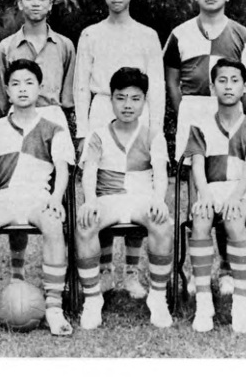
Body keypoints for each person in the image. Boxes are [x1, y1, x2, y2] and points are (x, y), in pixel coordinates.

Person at [163, 0, 246, 296]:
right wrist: (187, 111)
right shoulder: (179, 33)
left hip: (228, 113)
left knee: (227, 181)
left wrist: (231, 109)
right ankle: (197, 270)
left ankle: (227, 269)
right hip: (194, 110)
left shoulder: (243, 35)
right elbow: (172, 81)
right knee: (199, 188)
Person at [74, 0, 165, 298]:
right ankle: (102, 271)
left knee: (137, 186)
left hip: (138, 113)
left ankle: (130, 273)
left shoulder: (147, 35)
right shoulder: (90, 34)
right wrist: (83, 130)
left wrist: (155, 129)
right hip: (102, 108)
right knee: (103, 189)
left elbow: (156, 86)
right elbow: (80, 84)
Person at [0, 59, 75, 338]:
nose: (23, 89)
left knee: (53, 223)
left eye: (29, 83)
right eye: (15, 84)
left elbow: (62, 168)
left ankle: (54, 307)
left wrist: (56, 198)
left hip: (38, 196)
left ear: (40, 87)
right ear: (7, 90)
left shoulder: (54, 127)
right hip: (5, 197)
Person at [75, 68, 174, 329]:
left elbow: (161, 173)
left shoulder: (154, 135)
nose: (127, 105)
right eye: (121, 98)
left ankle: (158, 297)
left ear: (144, 102)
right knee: (86, 223)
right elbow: (89, 172)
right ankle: (92, 299)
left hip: (141, 199)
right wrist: (90, 200)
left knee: (162, 222)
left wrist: (159, 199)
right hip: (109, 198)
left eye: (135, 98)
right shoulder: (98, 135)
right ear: (111, 100)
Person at [0, 0, 75, 282]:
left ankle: (62, 275)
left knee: (57, 197)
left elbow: (67, 96)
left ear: (51, 4)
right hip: (18, 119)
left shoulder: (65, 45)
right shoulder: (7, 46)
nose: (36, 3)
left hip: (52, 118)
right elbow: (3, 95)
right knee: (18, 189)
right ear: (19, 3)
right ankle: (17, 273)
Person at [182, 59, 246, 333]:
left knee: (234, 217)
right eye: (222, 80)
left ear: (245, 87)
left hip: (245, 190)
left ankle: (240, 305)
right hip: (213, 188)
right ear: (212, 87)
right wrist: (205, 194)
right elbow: (197, 166)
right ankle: (204, 302)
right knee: (201, 217)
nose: (228, 86)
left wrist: (235, 197)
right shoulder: (200, 126)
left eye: (234, 81)